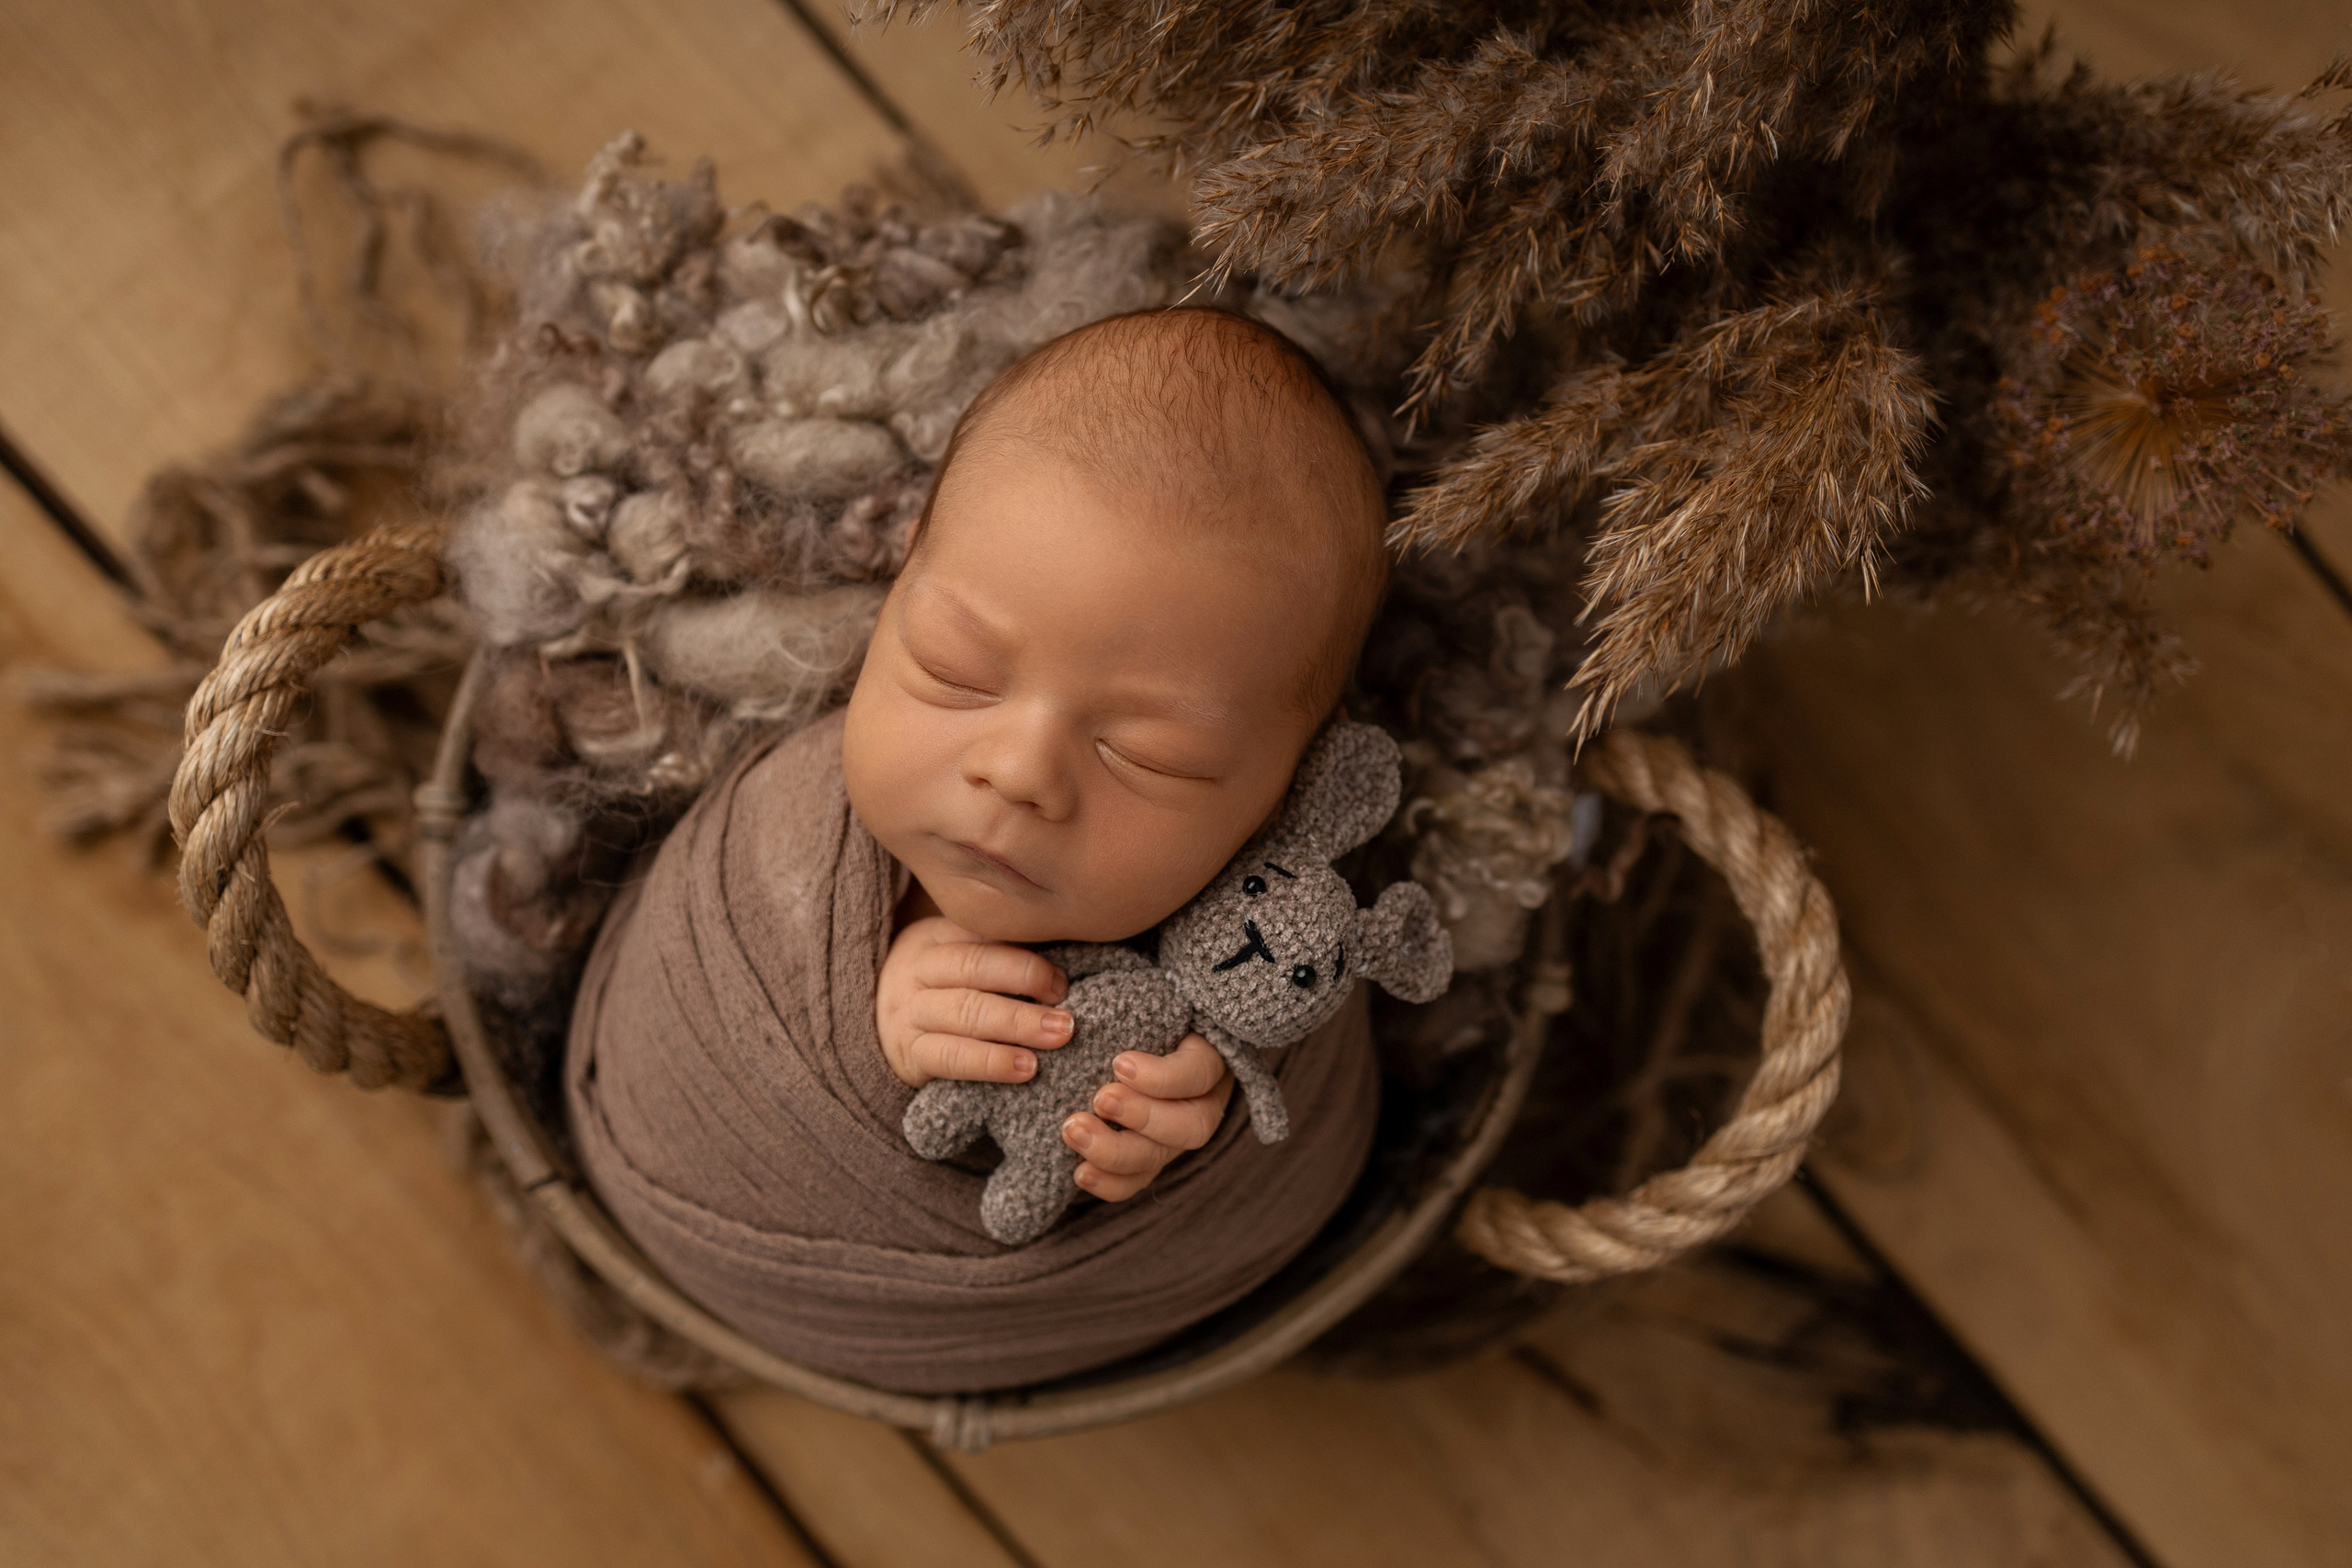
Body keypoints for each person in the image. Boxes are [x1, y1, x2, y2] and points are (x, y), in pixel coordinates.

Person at [565, 306, 1404, 1392]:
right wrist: (864, 994)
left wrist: (1202, 1103)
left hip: (1074, 1322)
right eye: (954, 669)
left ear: (1295, 779)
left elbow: (1293, 1066)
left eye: (1147, 755)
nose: (1016, 771)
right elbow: (709, 951)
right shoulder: (780, 831)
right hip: (694, 1162)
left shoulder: (1282, 928)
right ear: (899, 578)